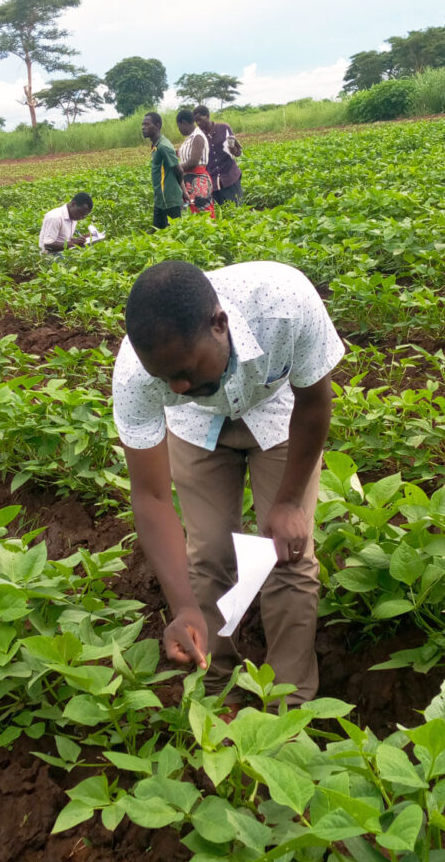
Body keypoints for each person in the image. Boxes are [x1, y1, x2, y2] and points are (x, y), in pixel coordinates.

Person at [112, 260, 345, 705]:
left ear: (220, 325)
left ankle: (288, 705)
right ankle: (216, 691)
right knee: (209, 556)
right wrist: (181, 606)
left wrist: (291, 503)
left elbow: (315, 403)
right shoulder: (138, 375)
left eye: (185, 370)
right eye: (165, 379)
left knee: (288, 553)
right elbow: (151, 496)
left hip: (279, 417)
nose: (176, 386)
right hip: (197, 428)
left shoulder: (285, 305)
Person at [141, 112, 184, 232]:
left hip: (169, 200)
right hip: (160, 199)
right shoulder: (156, 145)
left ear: (158, 125)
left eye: (147, 124)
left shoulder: (163, 146)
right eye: (143, 125)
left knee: (174, 233)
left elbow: (179, 170)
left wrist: (179, 190)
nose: (143, 128)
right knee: (157, 233)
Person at [192, 105, 243, 206]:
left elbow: (239, 151)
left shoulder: (224, 128)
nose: (198, 123)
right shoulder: (198, 136)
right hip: (213, 183)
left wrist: (234, 151)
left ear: (207, 115)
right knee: (221, 216)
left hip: (231, 178)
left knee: (238, 210)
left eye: (200, 120)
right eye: (196, 121)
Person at [176, 109, 215, 219]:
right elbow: (186, 156)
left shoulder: (198, 136)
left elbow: (193, 162)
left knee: (203, 211)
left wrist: (175, 168)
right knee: (194, 213)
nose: (179, 129)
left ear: (184, 123)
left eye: (179, 126)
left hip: (197, 180)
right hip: (189, 180)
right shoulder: (191, 137)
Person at [38, 193, 104, 256]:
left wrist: (85, 238)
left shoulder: (73, 216)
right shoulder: (55, 217)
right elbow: (47, 245)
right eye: (81, 213)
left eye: (84, 215)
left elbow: (63, 240)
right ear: (73, 204)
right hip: (50, 257)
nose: (81, 217)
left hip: (64, 253)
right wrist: (74, 243)